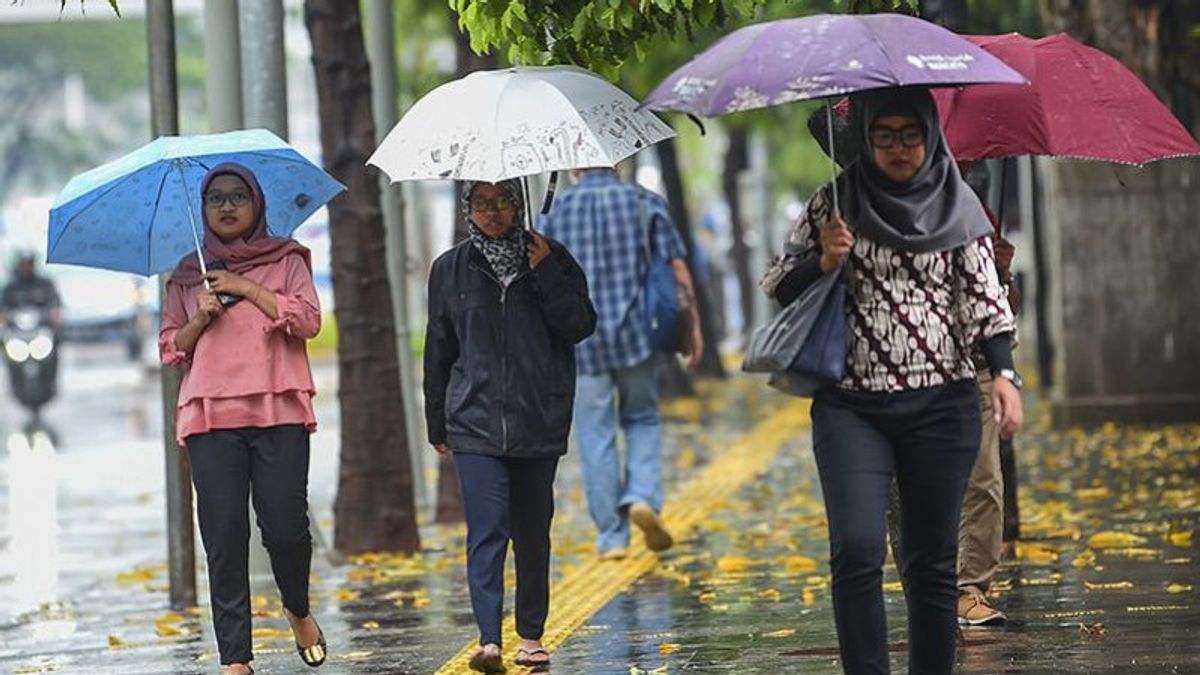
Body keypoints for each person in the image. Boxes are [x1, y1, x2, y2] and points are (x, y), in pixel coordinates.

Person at [761, 88, 1023, 675]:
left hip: (942, 403)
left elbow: (985, 301)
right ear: (867, 137)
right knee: (855, 550)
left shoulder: (959, 204)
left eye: (910, 134)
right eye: (885, 135)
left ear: (929, 135)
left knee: (930, 562)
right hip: (851, 406)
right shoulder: (834, 202)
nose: (899, 148)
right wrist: (823, 260)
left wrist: (1004, 374)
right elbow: (778, 285)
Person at [159, 163, 326, 675]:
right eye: (216, 199)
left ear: (256, 203)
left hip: (278, 410)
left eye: (237, 197)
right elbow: (170, 348)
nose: (227, 206)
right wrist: (201, 316)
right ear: (204, 211)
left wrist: (246, 287)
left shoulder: (288, 259)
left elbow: (309, 321)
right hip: (211, 416)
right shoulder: (188, 272)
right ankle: (235, 658)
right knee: (224, 537)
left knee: (286, 530)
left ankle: (296, 606)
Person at [424, 179, 596, 673]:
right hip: (473, 421)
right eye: (482, 204)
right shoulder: (450, 268)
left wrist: (544, 273)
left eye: (503, 202)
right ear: (468, 209)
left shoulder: (553, 258)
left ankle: (532, 635)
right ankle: (487, 640)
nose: (494, 212)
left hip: (538, 417)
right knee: (486, 528)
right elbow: (439, 350)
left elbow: (579, 326)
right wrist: (437, 421)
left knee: (532, 530)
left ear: (518, 204)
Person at [539, 167, 703, 560]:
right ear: (614, 159)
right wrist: (693, 327)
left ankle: (612, 537)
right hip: (638, 336)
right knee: (642, 417)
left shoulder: (552, 213)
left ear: (575, 165)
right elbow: (677, 267)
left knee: (596, 435)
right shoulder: (644, 201)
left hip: (582, 341)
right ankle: (643, 495)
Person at [2, 252, 62, 322]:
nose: (26, 267)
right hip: (16, 324)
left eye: (28, 264)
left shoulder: (45, 284)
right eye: (24, 264)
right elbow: (4, 305)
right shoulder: (11, 287)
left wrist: (54, 311)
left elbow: (54, 300)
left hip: (42, 323)